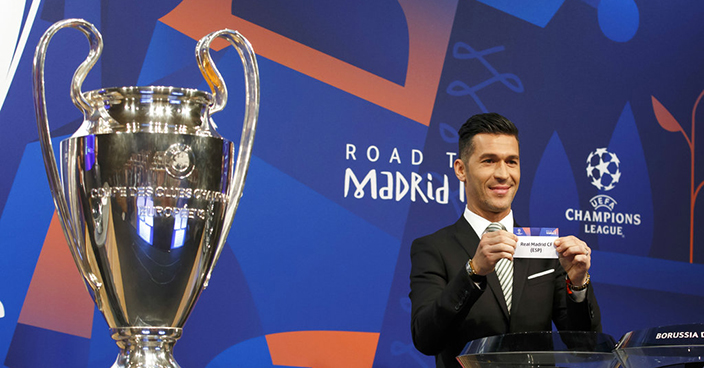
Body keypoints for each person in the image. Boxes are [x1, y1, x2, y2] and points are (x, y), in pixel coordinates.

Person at [409, 113, 601, 368]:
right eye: (489, 161)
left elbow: (585, 347)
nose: (503, 174)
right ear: (461, 169)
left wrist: (577, 284)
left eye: (512, 162)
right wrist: (472, 272)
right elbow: (426, 339)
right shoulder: (433, 248)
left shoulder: (546, 248)